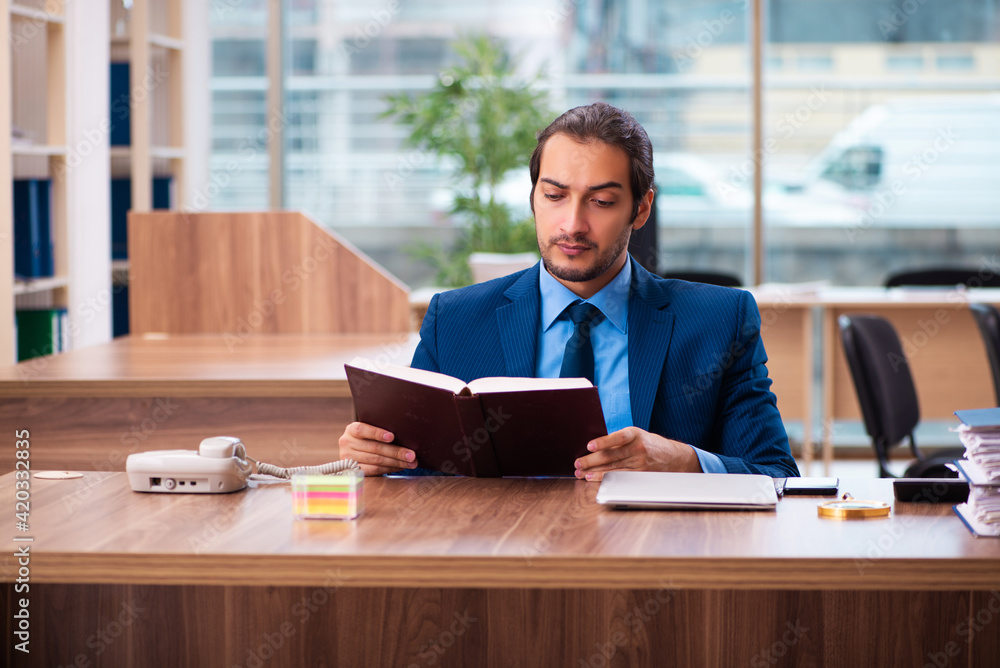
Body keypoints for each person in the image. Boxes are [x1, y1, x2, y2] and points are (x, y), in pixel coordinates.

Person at [340, 102, 799, 480]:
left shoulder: (720, 320)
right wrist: (378, 461)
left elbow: (776, 475)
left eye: (601, 202)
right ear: (533, 197)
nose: (573, 224)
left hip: (654, 565)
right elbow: (420, 476)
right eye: (555, 196)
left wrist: (683, 462)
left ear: (641, 209)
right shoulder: (456, 319)